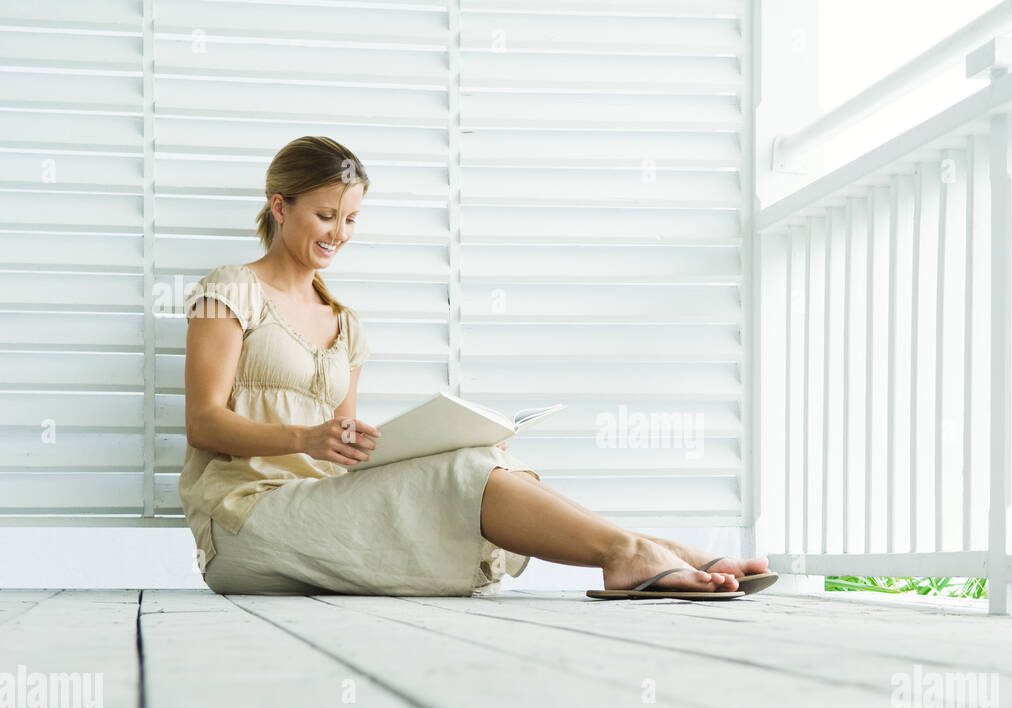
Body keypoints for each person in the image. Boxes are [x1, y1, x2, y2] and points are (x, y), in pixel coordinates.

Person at [181, 136, 771, 597]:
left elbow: (342, 454)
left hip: (319, 506)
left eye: (352, 218)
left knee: (485, 459)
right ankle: (628, 554)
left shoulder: (347, 324)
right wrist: (305, 437)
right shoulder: (230, 290)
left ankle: (646, 545)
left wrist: (393, 448)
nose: (340, 232)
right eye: (327, 215)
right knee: (463, 479)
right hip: (245, 520)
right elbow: (203, 423)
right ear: (280, 208)